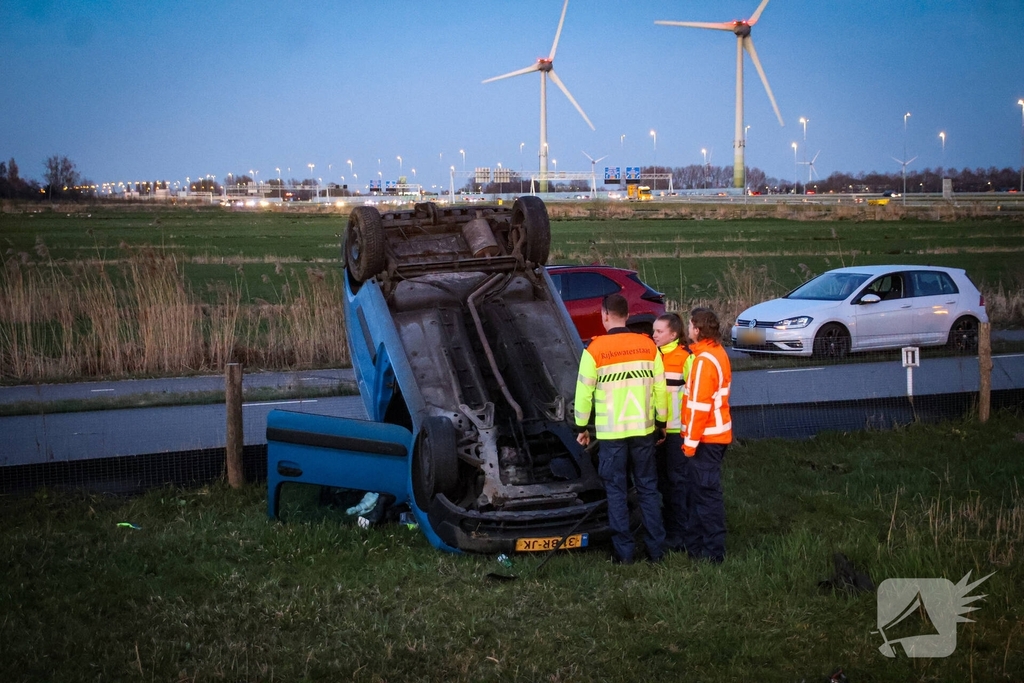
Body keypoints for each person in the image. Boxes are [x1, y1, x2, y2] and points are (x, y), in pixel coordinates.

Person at [574, 293, 668, 564]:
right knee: (648, 489)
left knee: (615, 492)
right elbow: (660, 388)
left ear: (604, 315)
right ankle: (656, 551)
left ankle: (624, 553)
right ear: (627, 315)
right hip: (643, 431)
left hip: (612, 435)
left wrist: (581, 426)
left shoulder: (594, 350)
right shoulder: (649, 346)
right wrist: (661, 423)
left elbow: (583, 393)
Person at [680, 307, 733, 564]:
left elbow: (699, 407)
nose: (688, 329)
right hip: (716, 435)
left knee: (706, 495)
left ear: (697, 330)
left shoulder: (703, 361)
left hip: (705, 439)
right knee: (702, 493)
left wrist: (689, 444)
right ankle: (699, 547)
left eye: (690, 325)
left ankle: (712, 552)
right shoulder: (716, 353)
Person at [651, 313, 693, 552]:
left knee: (678, 482)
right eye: (654, 331)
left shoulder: (685, 358)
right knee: (663, 482)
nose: (654, 335)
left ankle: (681, 533)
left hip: (677, 431)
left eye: (659, 331)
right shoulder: (652, 355)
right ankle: (669, 529)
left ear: (674, 334)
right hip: (658, 430)